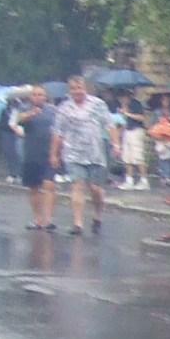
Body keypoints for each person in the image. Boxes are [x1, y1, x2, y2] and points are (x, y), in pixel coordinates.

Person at [51, 74, 111, 234]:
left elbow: (110, 125)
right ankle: (78, 224)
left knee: (95, 189)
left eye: (79, 88)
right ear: (69, 91)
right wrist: (54, 154)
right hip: (73, 153)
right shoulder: (64, 108)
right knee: (77, 185)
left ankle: (98, 215)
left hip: (95, 153)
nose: (77, 91)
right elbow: (58, 132)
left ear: (85, 88)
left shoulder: (98, 105)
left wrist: (116, 144)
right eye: (73, 89)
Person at [13, 86, 58, 231]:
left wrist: (57, 152)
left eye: (41, 95)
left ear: (46, 97)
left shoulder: (53, 111)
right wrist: (31, 114)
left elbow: (60, 130)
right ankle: (38, 218)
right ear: (30, 97)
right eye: (35, 95)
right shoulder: (24, 108)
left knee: (49, 185)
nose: (38, 97)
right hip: (31, 153)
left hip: (49, 153)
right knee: (34, 188)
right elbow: (18, 121)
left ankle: (48, 220)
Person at [117, 92, 150, 190]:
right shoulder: (122, 106)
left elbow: (142, 118)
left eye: (123, 97)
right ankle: (129, 180)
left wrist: (127, 113)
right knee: (127, 157)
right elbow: (122, 122)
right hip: (127, 131)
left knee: (138, 157)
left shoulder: (136, 104)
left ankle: (144, 181)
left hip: (136, 131)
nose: (122, 100)